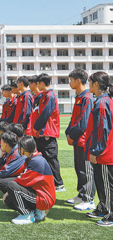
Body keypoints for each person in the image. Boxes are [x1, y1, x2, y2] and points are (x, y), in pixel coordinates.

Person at [3, 136, 56, 225]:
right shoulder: (34, 158)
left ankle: (27, 215)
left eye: (20, 148)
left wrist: (8, 191)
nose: (19, 151)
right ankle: (36, 211)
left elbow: (24, 180)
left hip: (44, 198)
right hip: (40, 195)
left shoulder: (37, 161)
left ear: (24, 148)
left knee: (11, 186)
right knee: (9, 199)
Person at [83, 71, 113, 227]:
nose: (89, 85)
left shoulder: (102, 102)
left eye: (90, 82)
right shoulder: (102, 100)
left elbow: (102, 129)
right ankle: (102, 208)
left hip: (105, 153)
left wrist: (95, 151)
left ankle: (111, 215)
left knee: (107, 186)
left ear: (96, 84)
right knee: (101, 184)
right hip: (103, 151)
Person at [65, 69, 95, 210]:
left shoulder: (87, 98)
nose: (69, 83)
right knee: (79, 168)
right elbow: (74, 119)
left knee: (85, 170)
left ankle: (89, 199)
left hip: (84, 141)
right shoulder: (80, 97)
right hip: (78, 140)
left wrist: (72, 135)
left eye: (71, 80)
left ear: (78, 81)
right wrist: (68, 132)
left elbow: (83, 122)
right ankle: (82, 194)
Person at [33, 73, 65, 192]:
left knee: (51, 158)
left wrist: (36, 127)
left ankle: (59, 184)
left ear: (42, 83)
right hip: (44, 131)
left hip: (48, 131)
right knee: (45, 157)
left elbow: (45, 113)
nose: (37, 86)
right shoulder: (44, 95)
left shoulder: (50, 96)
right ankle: (50, 181)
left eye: (37, 83)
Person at [28, 75, 42, 139]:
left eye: (30, 84)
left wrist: (37, 128)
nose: (29, 86)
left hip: (39, 131)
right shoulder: (35, 97)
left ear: (34, 84)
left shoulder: (41, 96)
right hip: (34, 131)